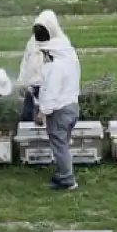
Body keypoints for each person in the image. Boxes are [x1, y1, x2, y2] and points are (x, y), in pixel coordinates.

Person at [34, 36, 82, 192]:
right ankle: (64, 174)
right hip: (72, 108)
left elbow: (51, 93)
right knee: (63, 144)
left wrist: (42, 112)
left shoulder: (55, 68)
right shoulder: (71, 64)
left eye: (45, 53)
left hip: (60, 111)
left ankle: (67, 179)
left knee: (60, 146)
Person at [17, 10, 67, 121]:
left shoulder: (61, 42)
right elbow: (26, 60)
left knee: (49, 120)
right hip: (32, 87)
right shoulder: (32, 41)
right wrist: (22, 81)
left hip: (49, 89)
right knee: (27, 119)